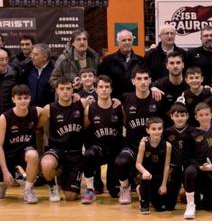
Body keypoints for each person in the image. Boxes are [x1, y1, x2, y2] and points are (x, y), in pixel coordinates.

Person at [115, 66, 163, 204]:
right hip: (131, 145)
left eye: (146, 79)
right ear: (133, 81)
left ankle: (140, 185)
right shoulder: (125, 98)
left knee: (154, 195)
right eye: (139, 79)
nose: (143, 82)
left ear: (150, 81)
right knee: (121, 162)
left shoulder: (158, 98)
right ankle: (124, 187)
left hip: (152, 147)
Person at [39, 77, 86, 202]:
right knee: (47, 164)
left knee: (71, 197)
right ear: (57, 91)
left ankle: (63, 177)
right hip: (57, 149)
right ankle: (53, 186)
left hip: (75, 152)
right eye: (62, 89)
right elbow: (38, 127)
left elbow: (99, 103)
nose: (65, 92)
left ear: (73, 91)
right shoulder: (49, 109)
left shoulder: (82, 104)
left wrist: (114, 101)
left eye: (68, 89)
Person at [81, 75, 124, 203]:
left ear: (111, 89)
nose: (104, 90)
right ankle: (90, 189)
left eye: (107, 87)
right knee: (88, 155)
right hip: (98, 149)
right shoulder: (90, 108)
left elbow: (127, 126)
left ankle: (123, 185)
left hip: (115, 151)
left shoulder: (118, 107)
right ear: (96, 89)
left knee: (115, 193)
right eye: (101, 87)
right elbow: (83, 129)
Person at [0, 85, 41, 203]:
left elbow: (50, 111)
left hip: (25, 152)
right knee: (1, 193)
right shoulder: (4, 118)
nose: (23, 101)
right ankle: (3, 184)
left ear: (30, 98)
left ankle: (28, 190)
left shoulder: (36, 111)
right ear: (13, 99)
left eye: (26, 98)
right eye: (19, 98)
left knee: (33, 155)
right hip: (8, 155)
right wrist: (5, 171)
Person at [163, 104, 195, 216]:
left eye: (182, 115)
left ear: (187, 116)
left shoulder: (193, 131)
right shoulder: (166, 132)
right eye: (176, 115)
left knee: (204, 205)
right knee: (168, 207)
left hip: (189, 167)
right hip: (174, 168)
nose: (180, 118)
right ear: (171, 116)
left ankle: (192, 199)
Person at [136, 117, 172, 214]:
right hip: (146, 175)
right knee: (145, 177)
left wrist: (164, 185)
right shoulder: (143, 144)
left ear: (163, 129)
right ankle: (143, 201)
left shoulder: (167, 145)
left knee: (160, 208)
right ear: (148, 130)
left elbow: (167, 166)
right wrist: (144, 171)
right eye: (153, 129)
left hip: (159, 176)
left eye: (159, 129)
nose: (157, 131)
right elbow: (138, 164)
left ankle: (150, 195)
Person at [187, 102, 212, 211]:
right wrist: (200, 166)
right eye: (201, 115)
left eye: (206, 114)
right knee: (199, 207)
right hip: (199, 169)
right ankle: (193, 199)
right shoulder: (192, 133)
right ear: (196, 117)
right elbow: (189, 156)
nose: (204, 117)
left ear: (211, 115)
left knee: (208, 207)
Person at [98, 30, 143, 100]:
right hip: (114, 101)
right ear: (118, 43)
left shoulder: (141, 60)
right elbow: (101, 81)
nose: (127, 42)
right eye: (124, 40)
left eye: (129, 40)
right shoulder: (107, 61)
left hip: (136, 101)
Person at [152, 51, 188, 121]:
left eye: (178, 62)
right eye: (172, 63)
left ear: (183, 65)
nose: (175, 66)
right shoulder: (158, 85)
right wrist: (152, 88)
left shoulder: (190, 84)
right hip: (164, 128)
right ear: (167, 66)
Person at [22, 43, 55, 108]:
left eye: (36, 55)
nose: (32, 57)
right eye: (32, 54)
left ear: (45, 57)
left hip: (47, 110)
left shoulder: (54, 72)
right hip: (31, 111)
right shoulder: (27, 70)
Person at [0, 49, 18, 114]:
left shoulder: (15, 75)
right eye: (1, 59)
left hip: (8, 116)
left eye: (6, 59)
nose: (4, 62)